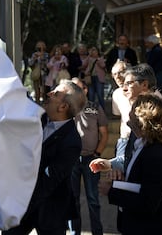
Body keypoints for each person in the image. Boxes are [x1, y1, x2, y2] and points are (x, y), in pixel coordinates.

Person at [2, 80, 87, 235]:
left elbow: (50, 179)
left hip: (50, 212)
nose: (49, 93)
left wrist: (20, 199)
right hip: (20, 207)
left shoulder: (72, 142)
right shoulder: (36, 118)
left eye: (56, 93)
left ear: (63, 107)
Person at [98, 94, 162, 235]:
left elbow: (148, 202)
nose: (128, 115)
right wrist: (122, 179)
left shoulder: (157, 154)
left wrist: (111, 192)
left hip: (149, 228)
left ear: (142, 118)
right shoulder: (142, 144)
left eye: (133, 110)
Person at [90, 63, 160, 174]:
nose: (124, 88)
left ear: (144, 85)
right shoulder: (118, 95)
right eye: (114, 74)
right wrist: (109, 164)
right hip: (125, 139)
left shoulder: (157, 108)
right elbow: (127, 160)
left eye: (129, 83)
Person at [68, 78, 108, 235]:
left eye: (78, 88)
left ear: (85, 90)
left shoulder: (95, 107)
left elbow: (104, 133)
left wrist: (97, 153)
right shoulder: (66, 108)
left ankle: (97, 232)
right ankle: (74, 233)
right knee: (73, 200)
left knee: (93, 199)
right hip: (71, 160)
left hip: (91, 158)